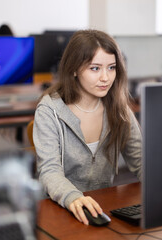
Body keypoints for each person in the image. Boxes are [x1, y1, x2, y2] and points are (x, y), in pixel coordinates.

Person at [33, 29, 142, 225]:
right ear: (74, 69)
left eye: (111, 68)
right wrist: (73, 197)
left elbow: (141, 160)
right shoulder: (50, 110)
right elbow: (49, 171)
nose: (106, 78)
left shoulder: (118, 108)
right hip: (61, 208)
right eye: (95, 68)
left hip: (101, 207)